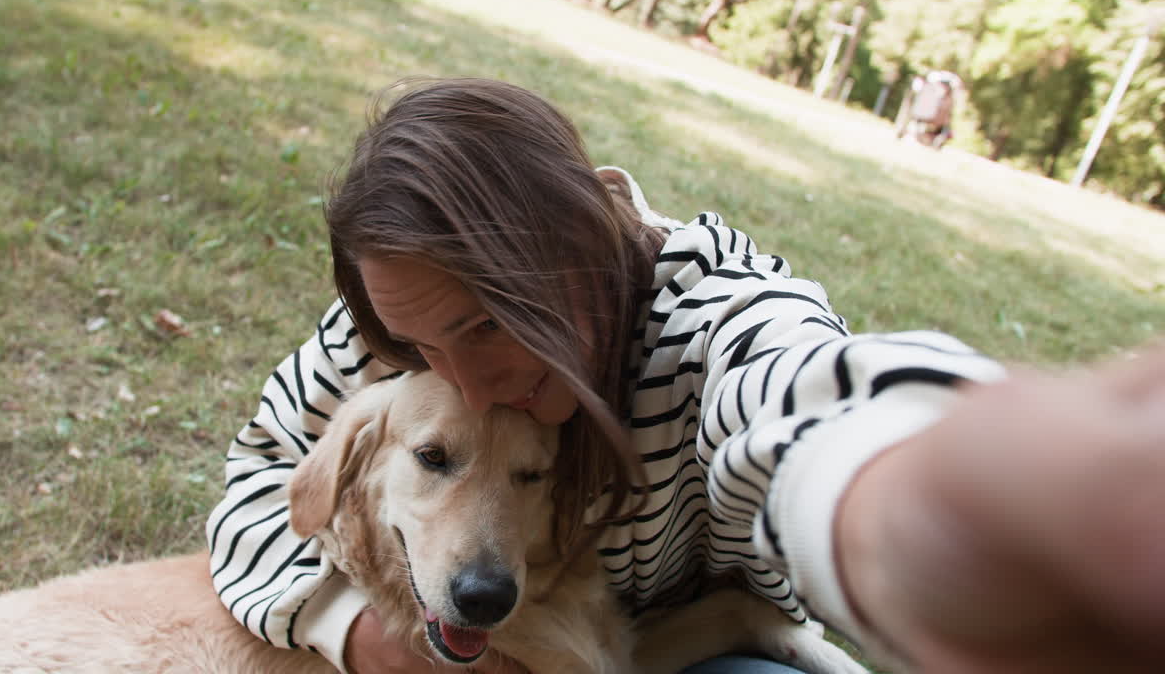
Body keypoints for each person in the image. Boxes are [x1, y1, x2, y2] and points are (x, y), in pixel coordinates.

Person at [207, 77, 1165, 674]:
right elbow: (257, 477)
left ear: (574, 249)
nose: (470, 382)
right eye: (424, 354)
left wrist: (913, 491)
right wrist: (352, 633)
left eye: (488, 329)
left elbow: (800, 390)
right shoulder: (410, 319)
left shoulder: (708, 312)